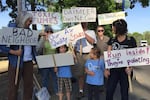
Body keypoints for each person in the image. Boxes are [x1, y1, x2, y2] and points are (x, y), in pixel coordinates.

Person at [2, 12, 38, 100]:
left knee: (29, 86)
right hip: (16, 62)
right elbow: (2, 46)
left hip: (28, 62)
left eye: (31, 21)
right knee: (13, 87)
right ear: (23, 20)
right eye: (28, 20)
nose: (30, 22)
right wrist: (14, 52)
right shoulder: (13, 30)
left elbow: (34, 47)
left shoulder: (30, 33)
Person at [104, 19, 137, 100]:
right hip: (114, 70)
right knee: (109, 91)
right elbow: (109, 55)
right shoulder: (112, 40)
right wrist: (106, 69)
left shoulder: (131, 40)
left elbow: (135, 56)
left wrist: (131, 68)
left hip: (126, 70)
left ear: (118, 28)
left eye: (113, 27)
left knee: (124, 93)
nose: (112, 29)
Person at [74, 22, 97, 97]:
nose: (83, 23)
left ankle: (93, 90)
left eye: (84, 22)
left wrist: (83, 33)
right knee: (80, 74)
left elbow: (93, 42)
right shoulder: (75, 33)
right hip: (79, 54)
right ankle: (81, 91)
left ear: (87, 23)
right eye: (81, 22)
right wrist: (74, 55)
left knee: (91, 72)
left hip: (89, 54)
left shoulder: (91, 32)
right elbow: (73, 46)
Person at [36, 26, 58, 95]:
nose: (49, 33)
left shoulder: (55, 40)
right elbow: (38, 49)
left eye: (50, 32)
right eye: (47, 32)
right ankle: (45, 93)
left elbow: (58, 50)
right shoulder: (42, 41)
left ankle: (56, 91)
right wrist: (43, 40)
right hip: (45, 61)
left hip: (54, 61)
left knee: (54, 77)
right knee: (45, 78)